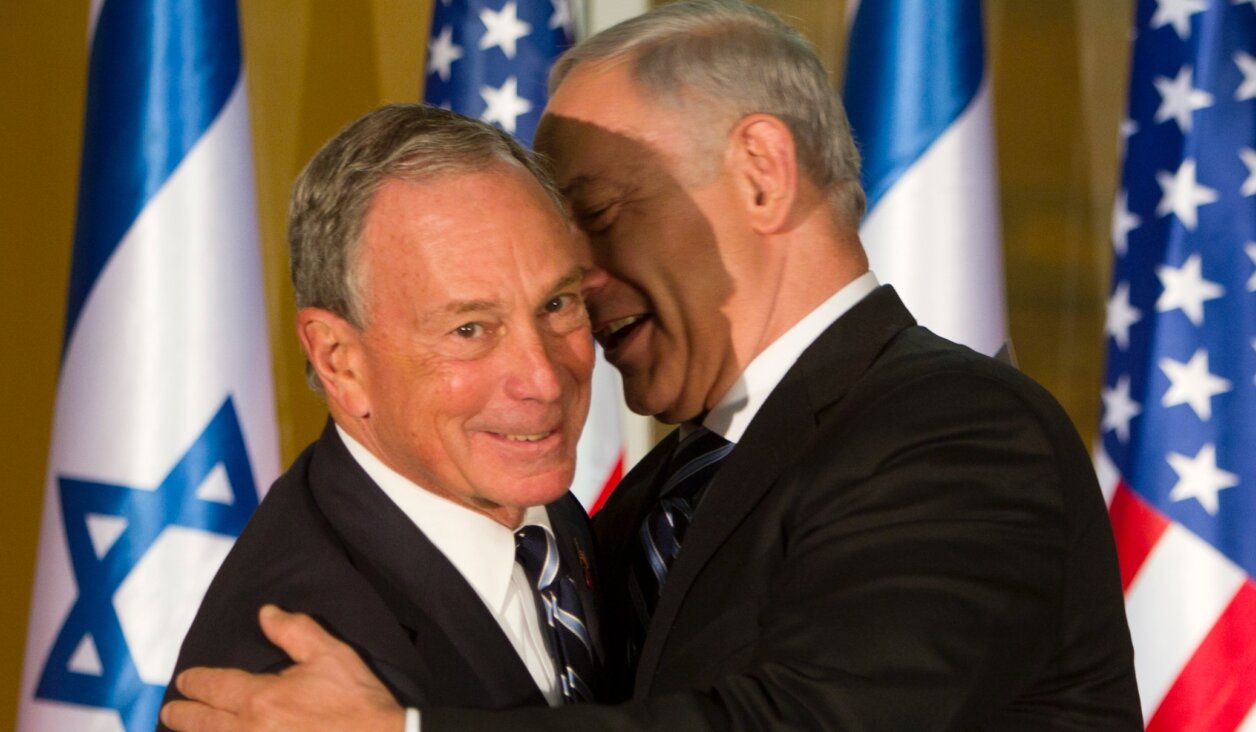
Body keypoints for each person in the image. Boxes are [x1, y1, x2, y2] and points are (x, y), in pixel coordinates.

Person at [163, 1, 1142, 729]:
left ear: (761, 173)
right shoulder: (629, 510)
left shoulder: (960, 438)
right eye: (471, 324)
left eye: (595, 211)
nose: (577, 281)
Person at [158, 104, 611, 730]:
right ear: (341, 362)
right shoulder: (285, 680)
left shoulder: (529, 509)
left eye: (556, 303)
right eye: (470, 329)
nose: (544, 378)